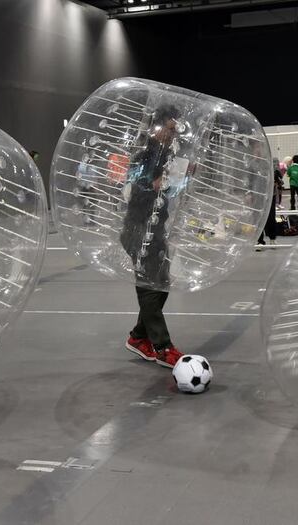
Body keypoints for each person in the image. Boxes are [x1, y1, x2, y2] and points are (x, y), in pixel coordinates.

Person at [121, 104, 184, 369]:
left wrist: (182, 174)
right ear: (157, 128)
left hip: (156, 229)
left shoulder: (168, 154)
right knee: (148, 287)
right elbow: (137, 181)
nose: (172, 134)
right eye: (169, 129)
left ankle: (138, 337)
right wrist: (156, 182)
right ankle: (162, 346)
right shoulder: (144, 154)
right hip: (138, 229)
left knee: (162, 283)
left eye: (175, 129)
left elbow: (170, 189)